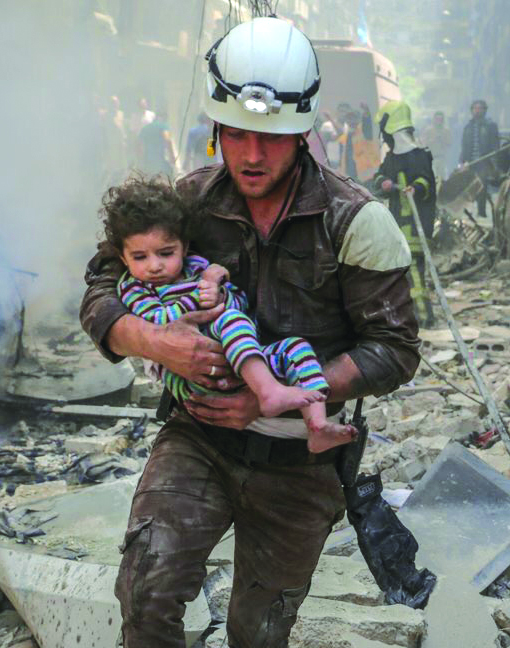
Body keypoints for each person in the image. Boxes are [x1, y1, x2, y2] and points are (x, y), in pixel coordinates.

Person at [80, 17, 419, 648]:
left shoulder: (358, 222)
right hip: (196, 440)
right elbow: (103, 281)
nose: (251, 155)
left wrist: (285, 400)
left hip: (300, 464)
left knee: (257, 638)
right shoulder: (188, 203)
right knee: (145, 594)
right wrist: (154, 340)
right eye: (235, 132)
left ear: (302, 131)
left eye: (269, 137)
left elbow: (394, 347)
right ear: (215, 127)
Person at [103, 177, 359, 453]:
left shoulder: (196, 268)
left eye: (166, 253)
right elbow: (158, 321)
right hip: (194, 377)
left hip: (241, 357)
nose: (154, 266)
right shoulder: (134, 286)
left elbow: (240, 301)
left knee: (296, 347)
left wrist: (222, 294)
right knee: (229, 320)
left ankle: (317, 426)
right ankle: (269, 391)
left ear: (184, 246)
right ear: (123, 256)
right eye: (140, 257)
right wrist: (199, 299)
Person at [374, 100, 437, 326]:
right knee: (400, 273)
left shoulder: (419, 155)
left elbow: (428, 181)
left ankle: (424, 318)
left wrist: (416, 188)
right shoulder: (392, 158)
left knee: (417, 275)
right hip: (397, 225)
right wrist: (384, 184)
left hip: (416, 224)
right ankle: (406, 317)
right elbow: (377, 178)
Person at [459, 99, 499, 217]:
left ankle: (481, 212)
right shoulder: (468, 127)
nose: (477, 110)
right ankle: (469, 211)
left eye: (480, 108)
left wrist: (494, 162)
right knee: (470, 186)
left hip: (484, 161)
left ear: (484, 110)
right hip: (470, 162)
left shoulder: (490, 126)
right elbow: (464, 145)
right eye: (475, 108)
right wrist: (462, 161)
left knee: (481, 185)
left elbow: (495, 144)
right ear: (471, 110)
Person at [139, 110, 178, 177]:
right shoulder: (164, 126)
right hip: (160, 160)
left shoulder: (145, 128)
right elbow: (168, 140)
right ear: (163, 117)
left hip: (147, 161)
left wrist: (140, 160)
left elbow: (139, 144)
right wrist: (172, 156)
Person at [422, 111, 451, 180]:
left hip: (442, 158)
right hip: (431, 158)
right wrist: (432, 140)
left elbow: (449, 143)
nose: (439, 121)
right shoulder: (428, 130)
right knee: (433, 178)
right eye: (437, 119)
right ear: (434, 119)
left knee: (442, 178)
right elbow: (423, 143)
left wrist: (442, 140)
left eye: (440, 119)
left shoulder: (446, 130)